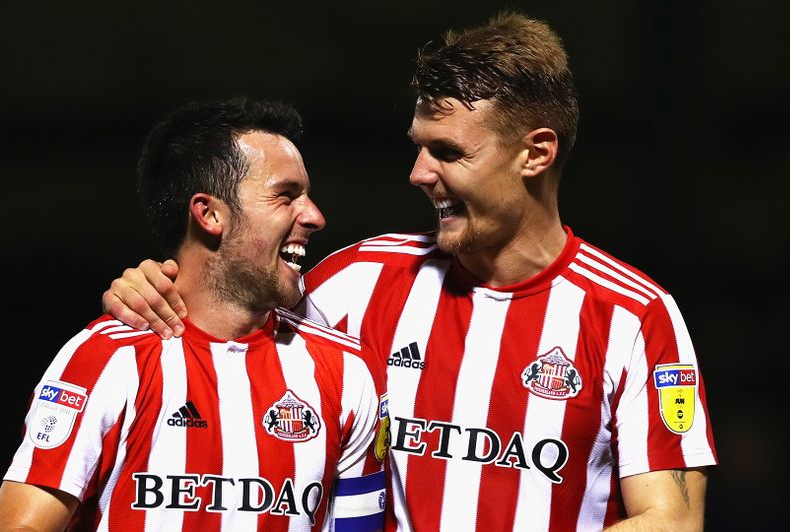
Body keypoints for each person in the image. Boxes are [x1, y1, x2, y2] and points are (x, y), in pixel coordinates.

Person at [101, 12, 717, 531]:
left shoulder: (634, 316)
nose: (419, 173)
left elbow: (673, 521)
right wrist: (151, 289)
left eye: (448, 152)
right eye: (419, 146)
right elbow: (221, 328)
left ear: (536, 153)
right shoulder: (358, 282)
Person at [0, 98, 388, 531]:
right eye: (285, 196)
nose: (315, 216)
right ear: (209, 214)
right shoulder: (105, 361)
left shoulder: (345, 372)